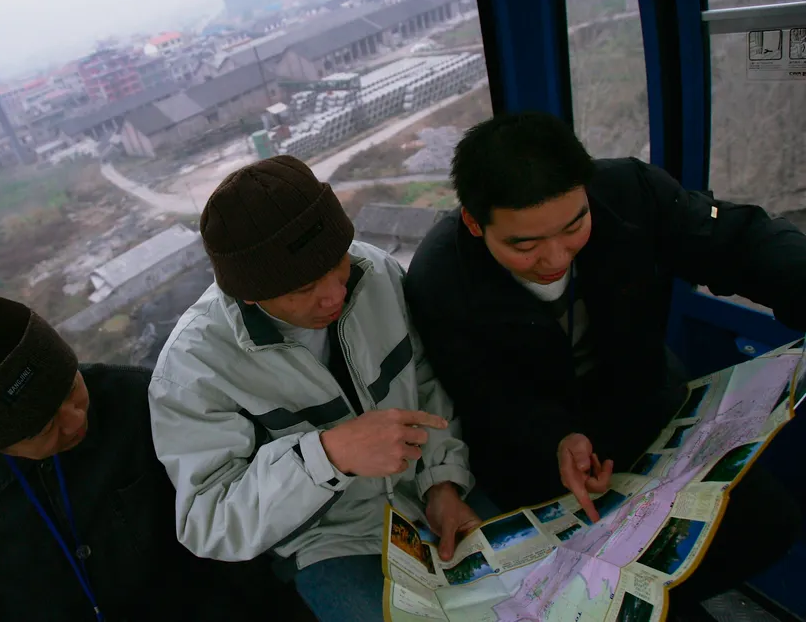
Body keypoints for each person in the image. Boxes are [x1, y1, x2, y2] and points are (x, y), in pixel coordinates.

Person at [404, 111, 803, 611]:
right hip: (535, 450)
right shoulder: (441, 278)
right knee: (600, 588)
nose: (555, 258)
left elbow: (741, 242)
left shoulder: (629, 193)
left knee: (768, 525)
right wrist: (556, 439)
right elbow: (487, 394)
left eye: (574, 227)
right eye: (524, 244)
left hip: (643, 398)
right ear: (473, 222)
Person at [148, 155, 485, 622]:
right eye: (304, 288)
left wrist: (442, 482)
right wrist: (326, 457)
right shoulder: (193, 369)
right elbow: (210, 522)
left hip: (425, 497)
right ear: (249, 293)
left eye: (337, 262)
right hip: (330, 542)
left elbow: (425, 377)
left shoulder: (377, 272)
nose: (335, 294)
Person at [0, 295, 298, 622]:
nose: (75, 419)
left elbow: (235, 525)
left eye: (69, 387)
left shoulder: (142, 400)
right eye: (41, 427)